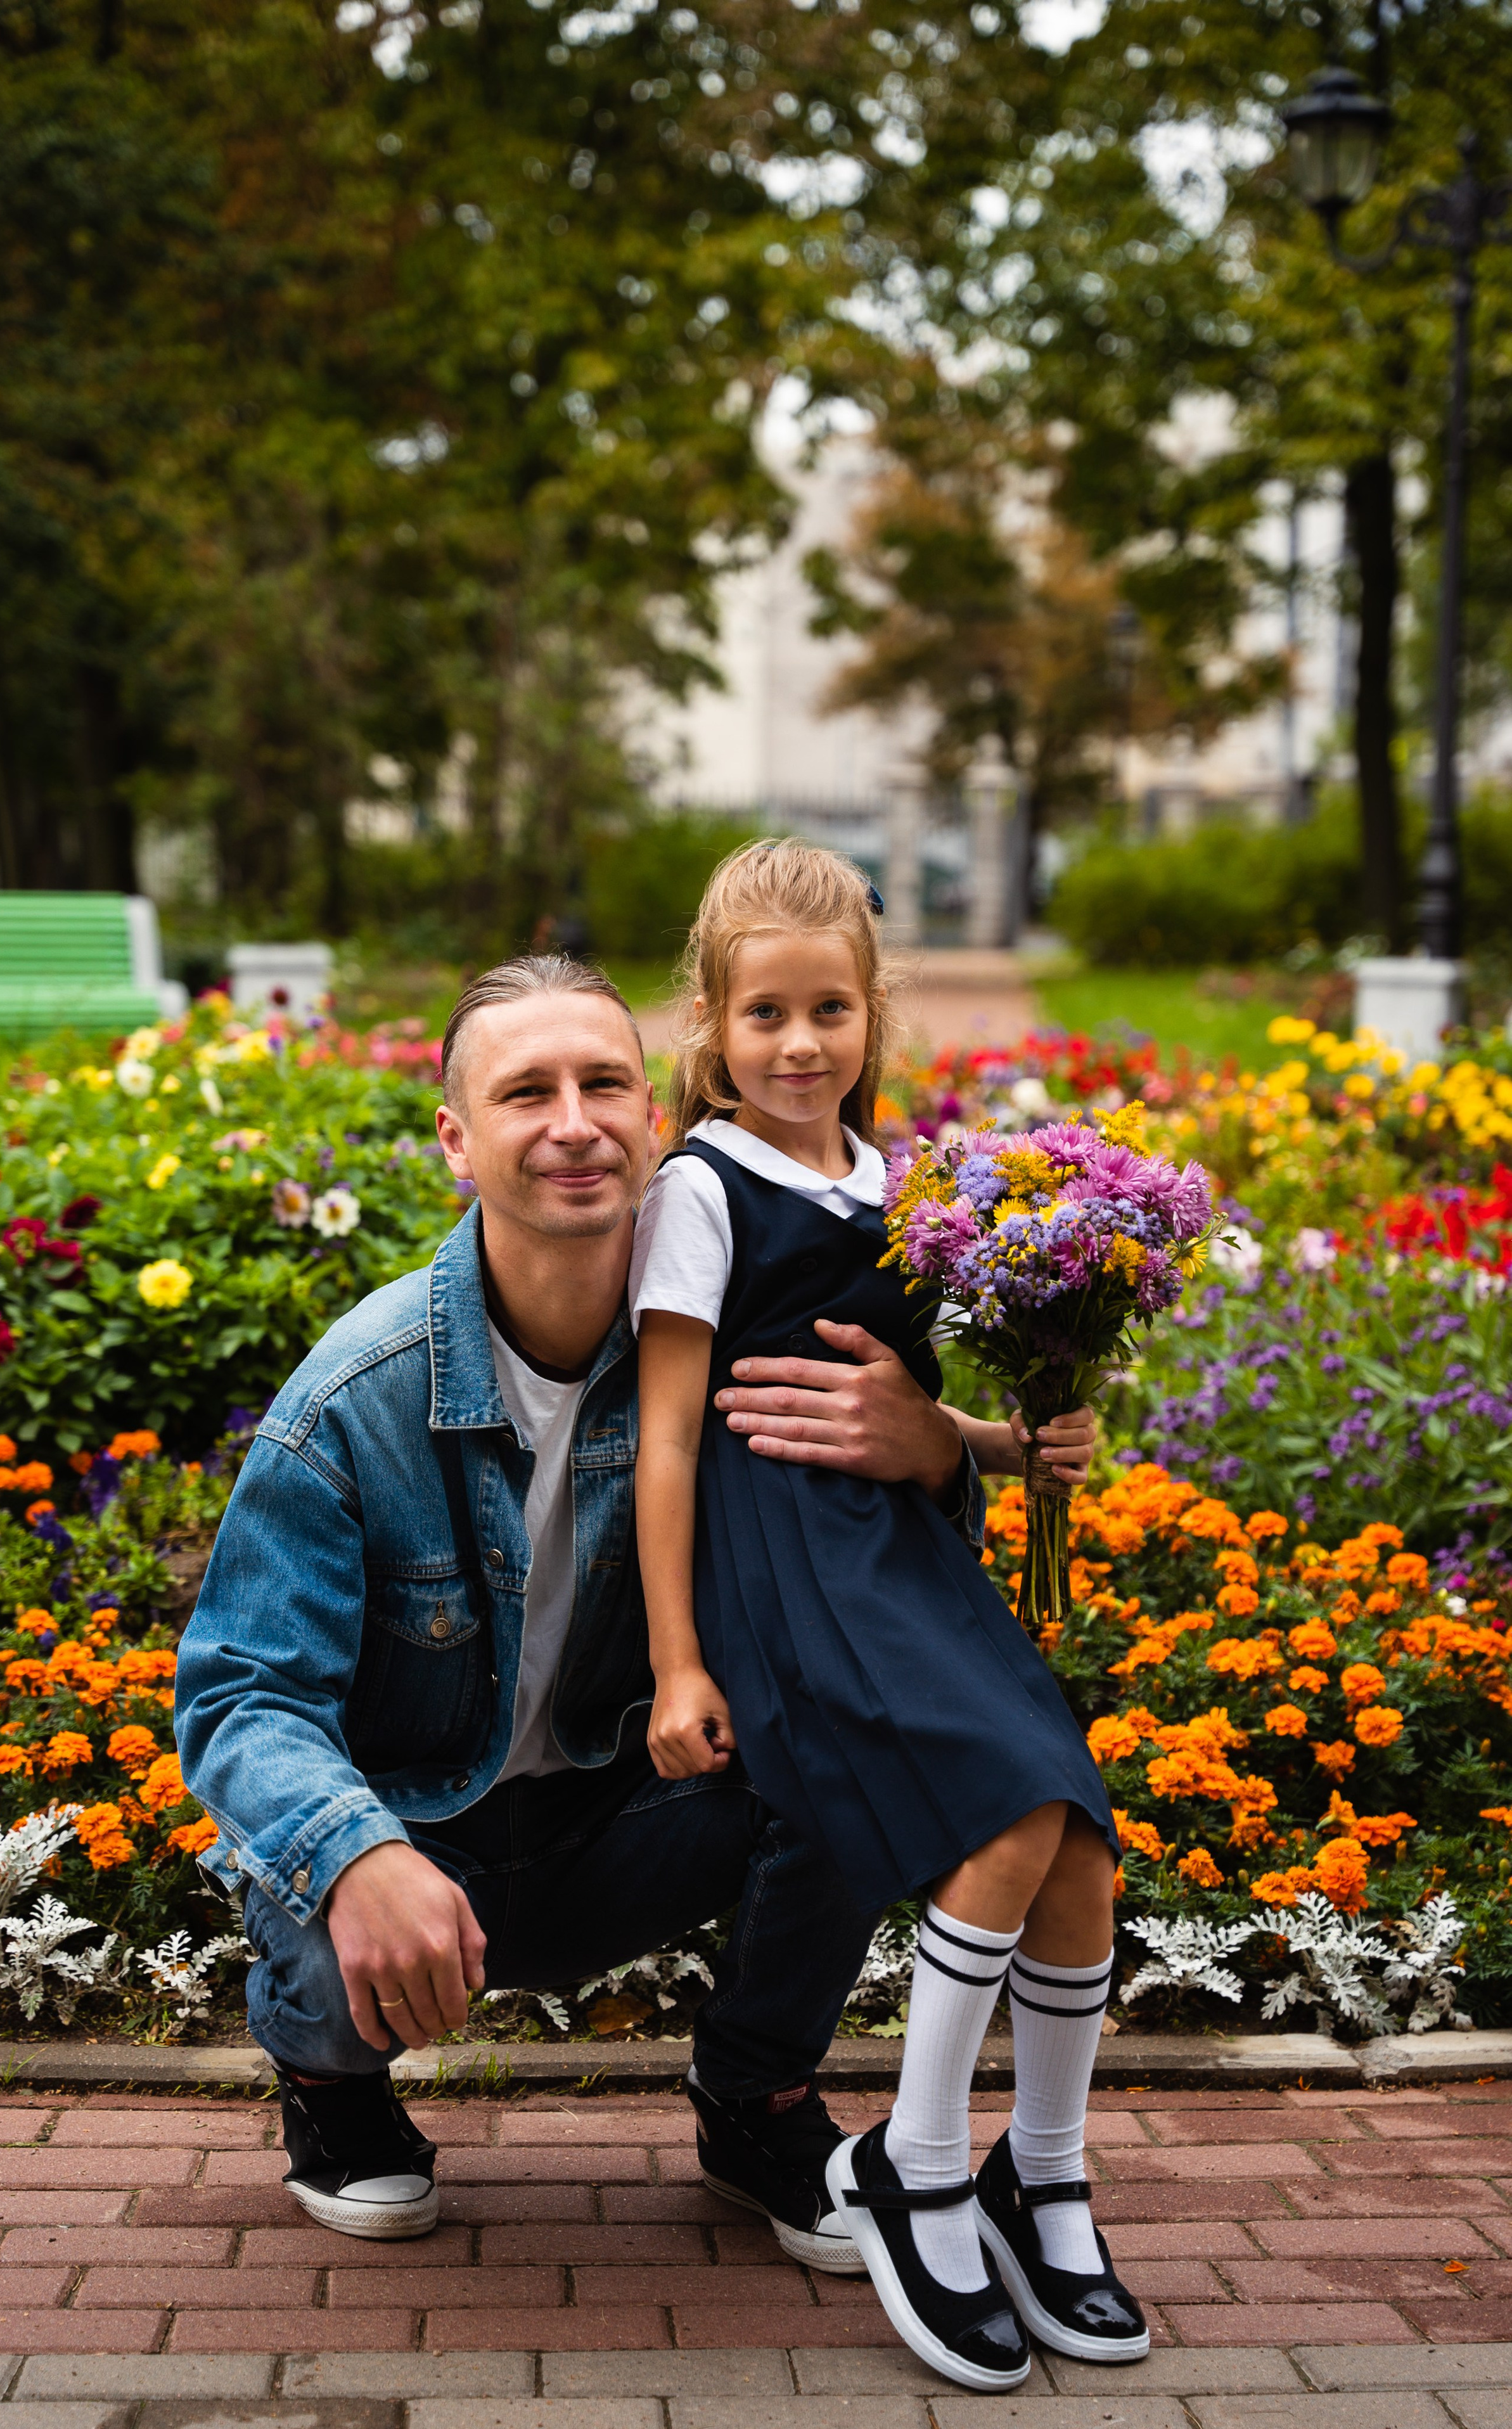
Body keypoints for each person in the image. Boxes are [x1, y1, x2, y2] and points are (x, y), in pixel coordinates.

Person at [176, 953, 1098, 2267]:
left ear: (654, 1123)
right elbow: (238, 1696)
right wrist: (357, 1853)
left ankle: (754, 2095)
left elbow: (865, 1584)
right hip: (417, 1838)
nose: (571, 1123)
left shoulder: (717, 1358)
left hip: (629, 1818)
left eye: (603, 1082)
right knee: (317, 1869)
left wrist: (936, 1451)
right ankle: (332, 2084)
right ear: (455, 1138)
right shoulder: (354, 1402)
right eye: (524, 1092)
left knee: (839, 1741)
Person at [632, 841, 1148, 2390]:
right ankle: (913, 2163)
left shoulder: (910, 1184)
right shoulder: (701, 1191)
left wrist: (1008, 1440)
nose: (799, 1046)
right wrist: (676, 1661)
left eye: (830, 1011)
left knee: (1078, 1843)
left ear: (873, 1017)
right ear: (712, 1026)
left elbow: (908, 1408)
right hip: (785, 1567)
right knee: (1006, 1810)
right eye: (766, 1015)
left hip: (907, 1551)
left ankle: (1037, 2173)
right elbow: (667, 1435)